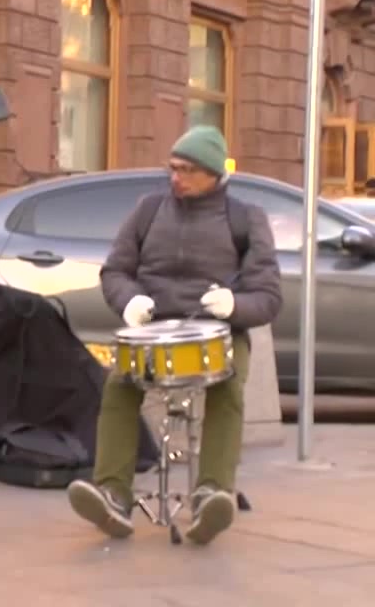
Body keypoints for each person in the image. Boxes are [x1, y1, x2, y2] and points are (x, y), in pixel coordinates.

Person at [67, 125, 283, 545]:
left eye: (187, 170)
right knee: (118, 385)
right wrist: (129, 300)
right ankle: (113, 493)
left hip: (218, 333)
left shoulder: (244, 218)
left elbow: (269, 296)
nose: (176, 177)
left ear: (214, 174)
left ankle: (211, 494)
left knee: (228, 389)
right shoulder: (148, 210)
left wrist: (234, 305)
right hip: (154, 329)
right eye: (173, 168)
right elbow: (115, 271)